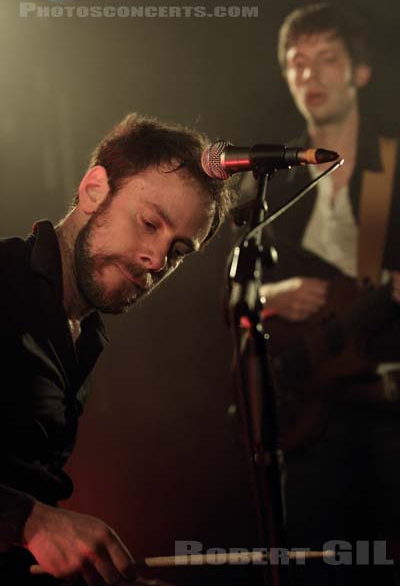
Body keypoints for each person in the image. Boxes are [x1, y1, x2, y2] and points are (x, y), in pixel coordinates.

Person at [0, 113, 236, 585]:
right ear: (93, 190)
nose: (157, 260)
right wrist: (30, 520)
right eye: (149, 222)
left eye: (178, 251)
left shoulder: (83, 337)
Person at [257, 2, 400, 586]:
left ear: (360, 72)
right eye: (297, 63)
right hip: (306, 410)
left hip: (389, 407)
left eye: (326, 60)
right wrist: (271, 295)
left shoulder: (392, 165)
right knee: (318, 567)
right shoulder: (275, 176)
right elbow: (221, 292)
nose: (310, 76)